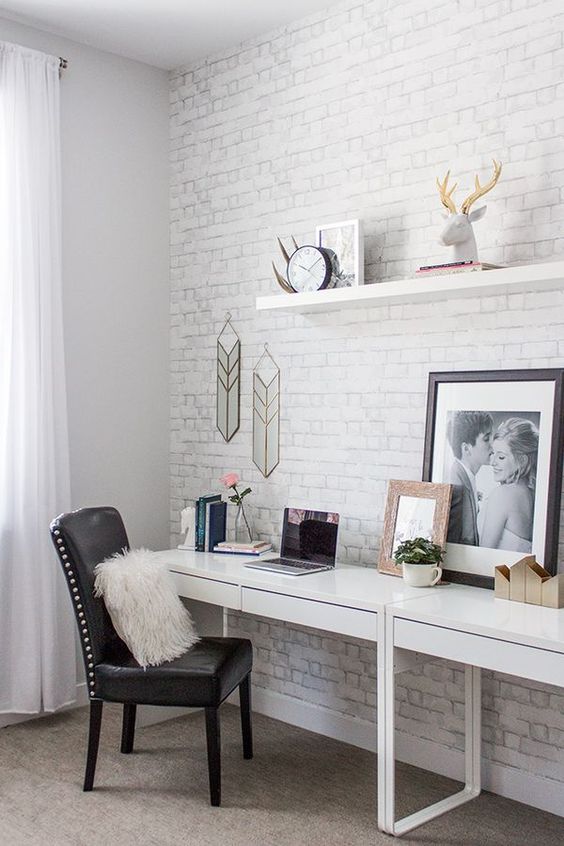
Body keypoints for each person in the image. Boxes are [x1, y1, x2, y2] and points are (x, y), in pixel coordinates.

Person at [479, 417, 538, 552]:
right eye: (493, 453)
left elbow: (483, 554)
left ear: (522, 461)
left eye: (501, 457)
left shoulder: (503, 494)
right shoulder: (532, 494)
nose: (492, 462)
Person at [445, 411, 493, 545]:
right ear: (466, 449)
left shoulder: (465, 476)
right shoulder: (457, 485)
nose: (492, 445)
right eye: (486, 439)